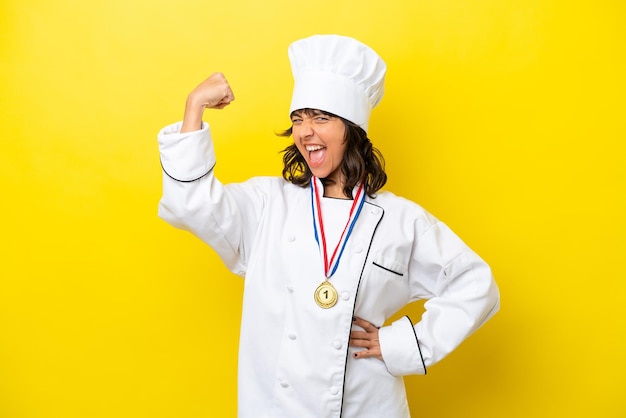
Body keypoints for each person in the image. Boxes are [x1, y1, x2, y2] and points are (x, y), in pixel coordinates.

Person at [157, 34, 500, 418]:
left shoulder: (401, 220)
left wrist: (403, 343)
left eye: (320, 117)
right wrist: (194, 107)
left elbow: (476, 284)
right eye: (298, 118)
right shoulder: (268, 204)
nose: (305, 131)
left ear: (351, 130)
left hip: (367, 406)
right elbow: (189, 204)